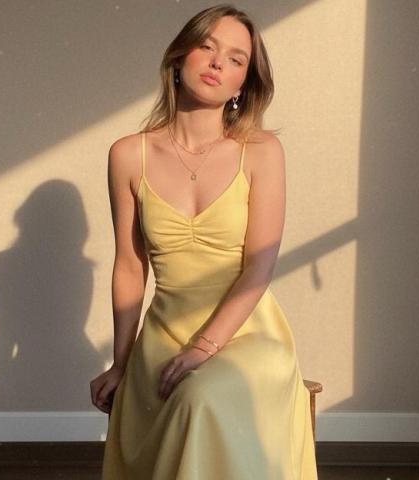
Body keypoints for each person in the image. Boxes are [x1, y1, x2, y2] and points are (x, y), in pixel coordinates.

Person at [90, 4, 318, 479]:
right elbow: (129, 266)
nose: (218, 63)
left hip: (248, 332)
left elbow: (259, 267)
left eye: (236, 59)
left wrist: (204, 347)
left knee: (200, 395)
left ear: (243, 83)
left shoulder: (261, 151)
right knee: (180, 395)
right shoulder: (128, 155)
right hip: (163, 333)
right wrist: (121, 364)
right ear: (179, 58)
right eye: (207, 47)